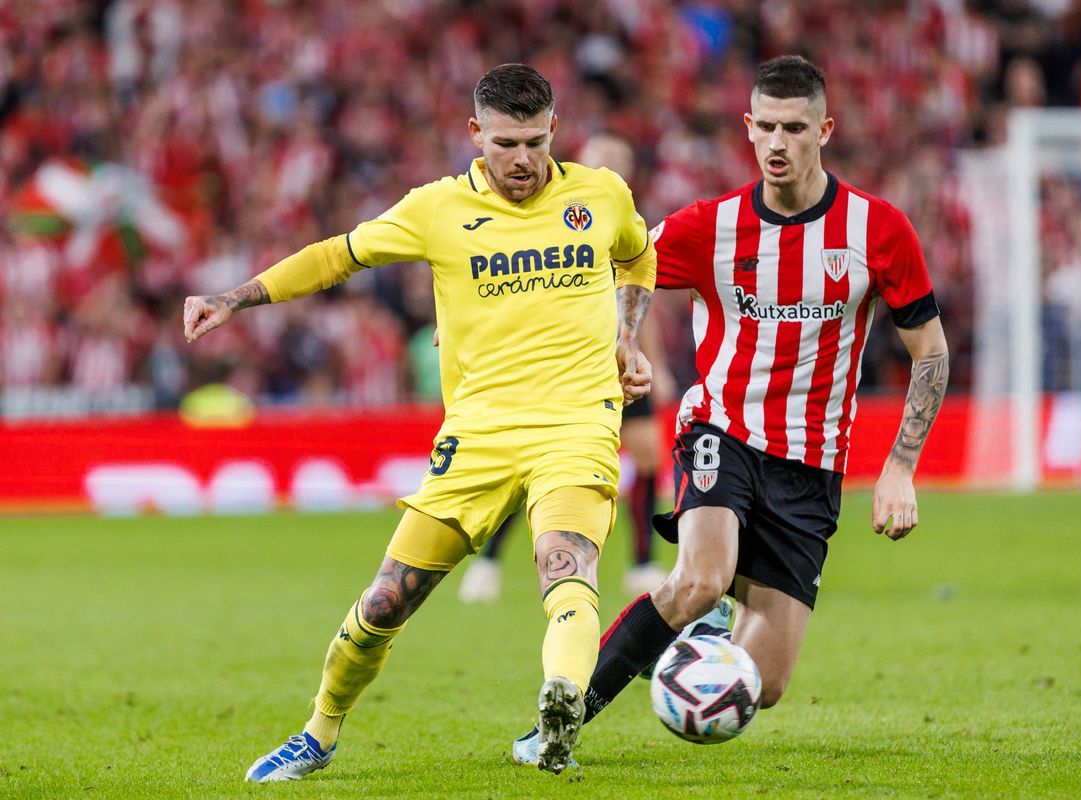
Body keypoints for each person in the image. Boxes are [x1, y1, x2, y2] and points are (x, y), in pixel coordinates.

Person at [182, 63, 657, 778]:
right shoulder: (436, 210)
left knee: (568, 567)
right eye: (504, 144)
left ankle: (561, 704)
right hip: (477, 436)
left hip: (575, 424)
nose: (522, 159)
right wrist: (237, 297)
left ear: (555, 129)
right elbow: (337, 257)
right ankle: (318, 733)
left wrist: (628, 334)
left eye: (534, 141)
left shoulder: (601, 195)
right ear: (474, 134)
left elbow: (639, 256)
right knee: (384, 601)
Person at [512, 54, 949, 763]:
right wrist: (624, 334)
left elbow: (930, 353)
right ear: (747, 128)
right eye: (766, 127)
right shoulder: (709, 227)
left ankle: (705, 631)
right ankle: (559, 727)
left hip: (812, 465)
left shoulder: (879, 230)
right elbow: (622, 263)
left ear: (825, 130)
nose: (778, 143)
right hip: (723, 428)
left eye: (796, 128)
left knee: (763, 686)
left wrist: (901, 467)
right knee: (700, 575)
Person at [457, 132, 671, 604]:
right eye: (602, 160)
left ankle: (641, 563)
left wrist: (650, 355)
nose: (610, 170)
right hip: (566, 367)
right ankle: (489, 562)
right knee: (535, 468)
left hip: (617, 363)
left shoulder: (628, 225)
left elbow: (638, 297)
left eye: (619, 161)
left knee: (650, 457)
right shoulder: (561, 219)